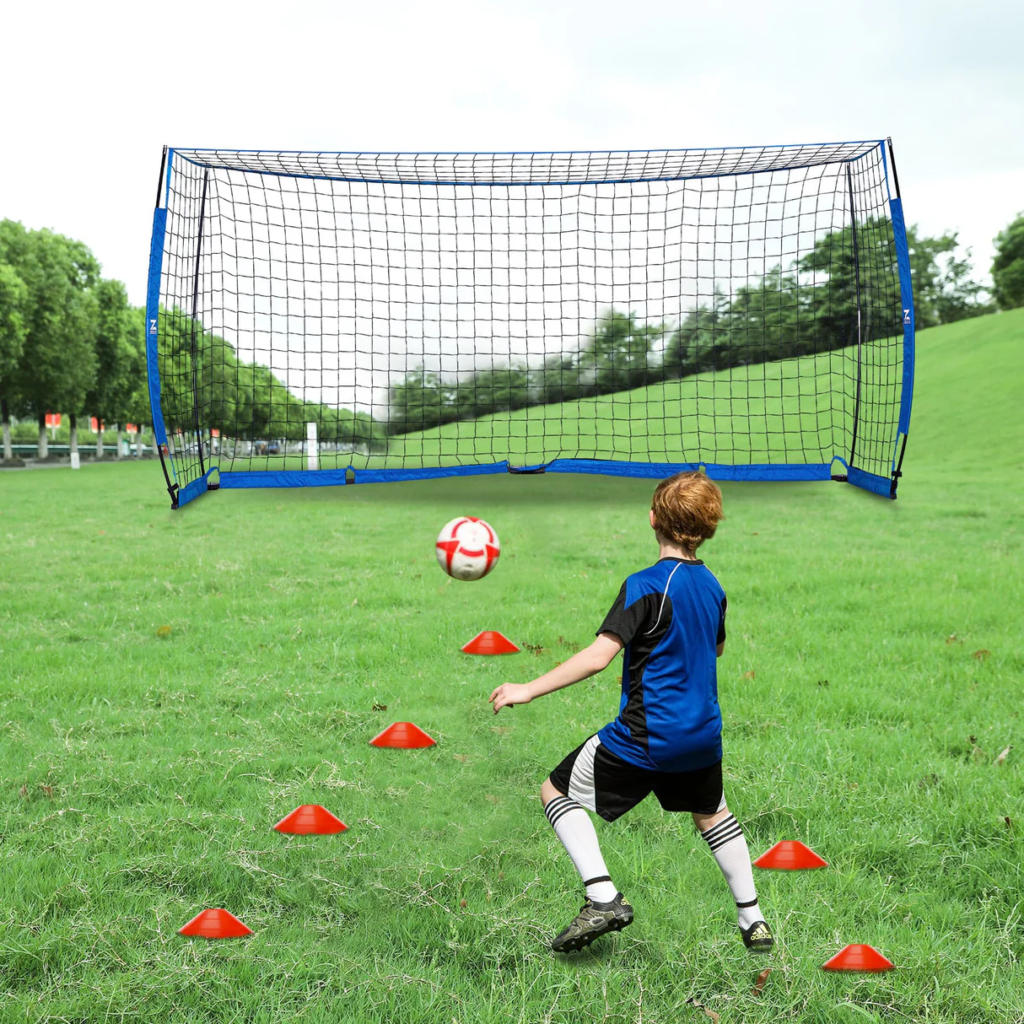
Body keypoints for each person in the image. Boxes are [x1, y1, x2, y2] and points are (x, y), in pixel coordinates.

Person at [489, 470, 772, 954]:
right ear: (708, 528)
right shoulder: (712, 585)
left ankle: (602, 897)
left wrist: (529, 688)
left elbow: (600, 656)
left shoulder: (645, 585)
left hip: (646, 735)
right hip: (703, 736)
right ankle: (754, 921)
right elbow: (717, 648)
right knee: (712, 815)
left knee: (554, 791)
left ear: (653, 519)